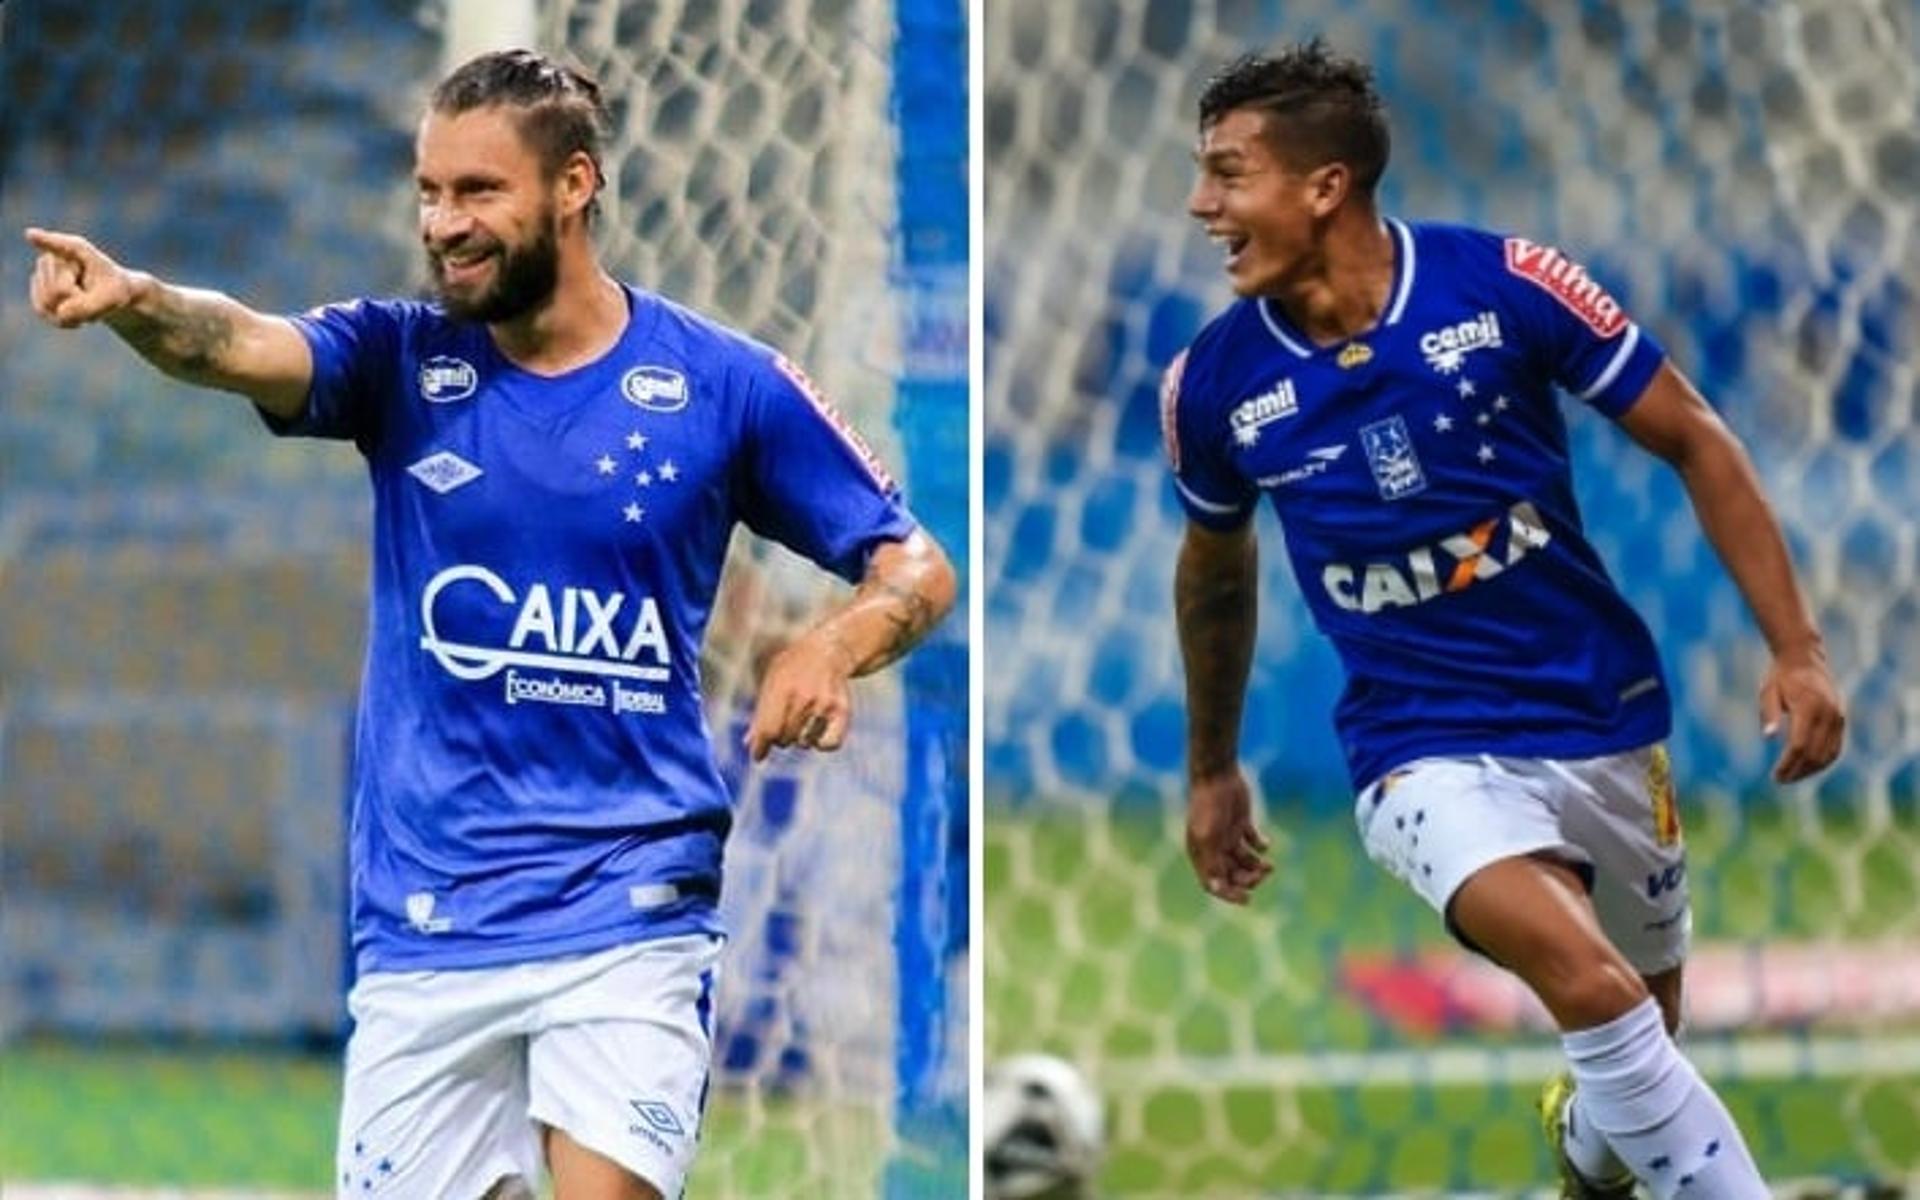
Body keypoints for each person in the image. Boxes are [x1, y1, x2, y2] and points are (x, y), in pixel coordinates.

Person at [25, 48, 955, 1200]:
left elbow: (913, 566)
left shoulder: (726, 384)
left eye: (477, 193)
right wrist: (138, 303)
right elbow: (238, 343)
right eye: (429, 191)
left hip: (632, 901)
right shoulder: (397, 359)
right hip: (429, 924)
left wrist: (828, 644)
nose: (443, 224)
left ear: (574, 186)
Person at [1163, 41, 1844, 1199]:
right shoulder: (1214, 386)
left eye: (1231, 174)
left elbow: (1694, 437)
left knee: (1638, 1060)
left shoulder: (1508, 285)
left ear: (1324, 186)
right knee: (1596, 991)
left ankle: (1584, 1149)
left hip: (1600, 714)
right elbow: (1216, 571)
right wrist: (1212, 768)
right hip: (1418, 749)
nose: (1203, 205)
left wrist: (1797, 647)